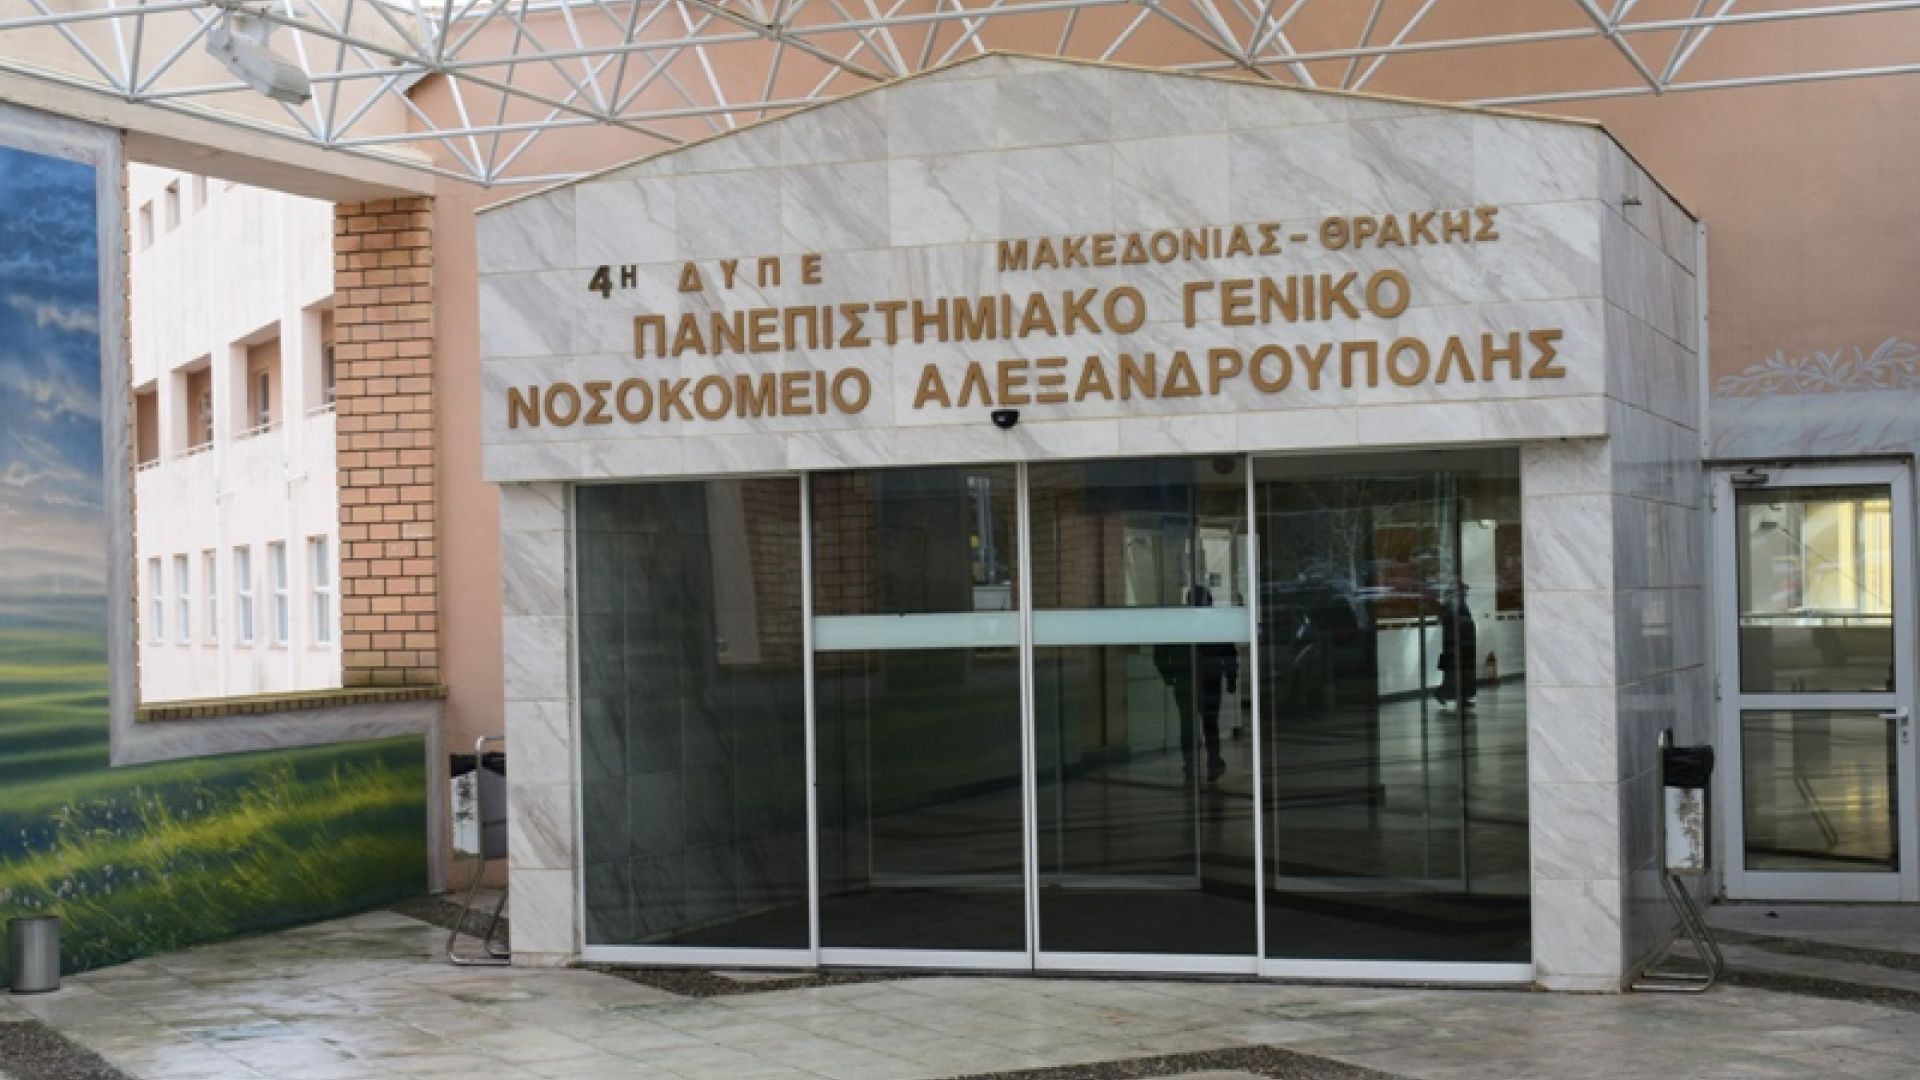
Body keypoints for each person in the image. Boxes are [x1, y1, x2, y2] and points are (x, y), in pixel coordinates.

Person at [1154, 585, 1239, 783]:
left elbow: (1160, 651)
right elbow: (1229, 654)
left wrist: (1168, 674)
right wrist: (1231, 678)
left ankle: (1191, 765)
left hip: (1186, 680)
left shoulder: (1178, 625)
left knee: (1188, 725)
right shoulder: (1216, 625)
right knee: (1210, 725)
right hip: (1209, 681)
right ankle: (1212, 763)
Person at [1434, 582, 1478, 709]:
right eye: (1464, 592)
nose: (1465, 595)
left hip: (1464, 645)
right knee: (1453, 675)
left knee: (1464, 675)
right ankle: (1442, 693)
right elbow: (1451, 624)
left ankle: (1463, 698)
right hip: (1455, 646)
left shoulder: (1460, 606)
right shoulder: (1450, 607)